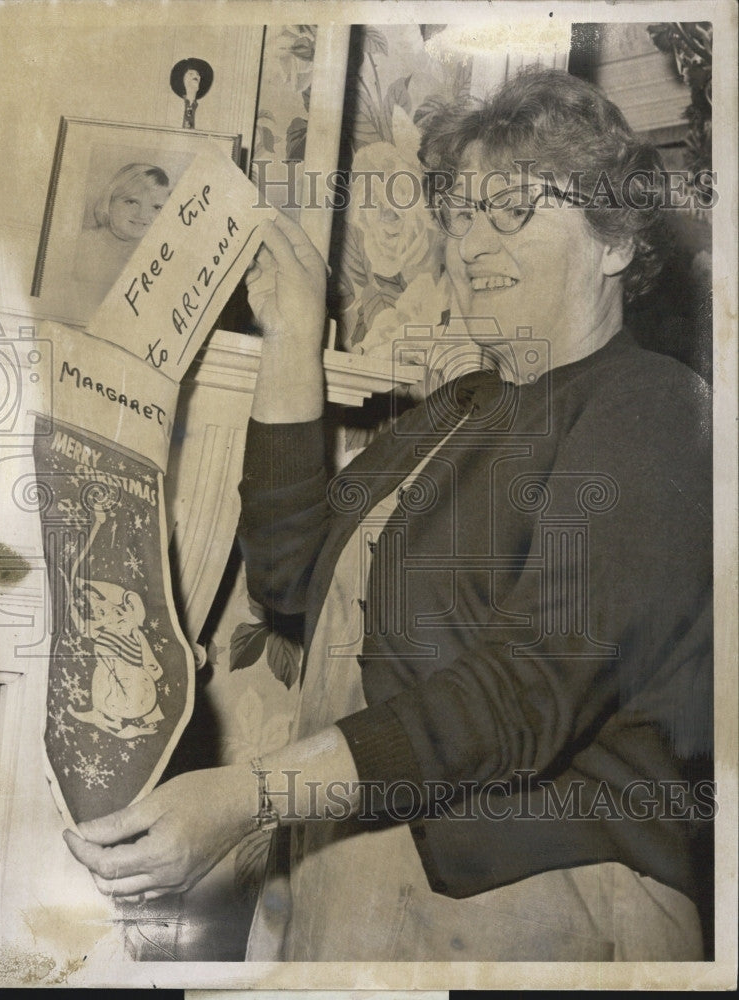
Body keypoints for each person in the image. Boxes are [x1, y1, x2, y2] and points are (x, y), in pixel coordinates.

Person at [64, 69, 713, 962]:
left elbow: (529, 687)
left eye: (513, 207)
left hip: (540, 904)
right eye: (461, 212)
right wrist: (293, 336)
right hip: (352, 884)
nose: (471, 240)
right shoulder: (457, 413)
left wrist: (251, 795)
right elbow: (291, 573)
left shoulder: (656, 406)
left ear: (612, 238)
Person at [74, 162, 171, 297]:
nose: (142, 215)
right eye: (132, 202)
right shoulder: (79, 246)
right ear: (109, 202)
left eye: (156, 207)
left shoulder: (159, 255)